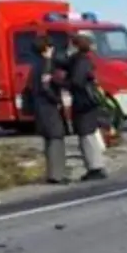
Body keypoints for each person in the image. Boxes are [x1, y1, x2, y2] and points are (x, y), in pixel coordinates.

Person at [62, 33, 110, 181]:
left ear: (76, 46)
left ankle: (95, 167)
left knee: (86, 135)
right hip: (88, 102)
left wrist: (62, 82)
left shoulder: (80, 62)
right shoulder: (82, 60)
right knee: (89, 134)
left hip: (84, 103)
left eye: (71, 45)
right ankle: (96, 165)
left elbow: (76, 82)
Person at [25, 35, 69, 184]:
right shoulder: (46, 64)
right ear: (47, 49)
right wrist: (56, 100)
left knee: (49, 139)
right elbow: (46, 86)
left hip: (39, 106)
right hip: (48, 106)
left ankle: (53, 173)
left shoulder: (34, 65)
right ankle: (57, 175)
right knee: (56, 138)